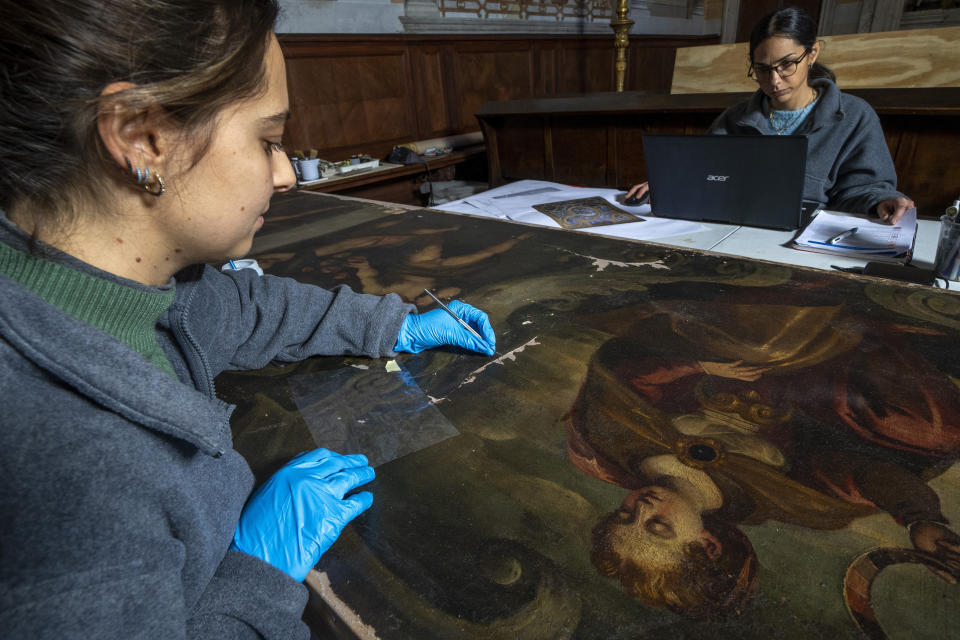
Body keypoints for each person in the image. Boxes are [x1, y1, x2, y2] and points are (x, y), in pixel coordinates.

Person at [0, 1, 495, 638]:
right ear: (142, 136)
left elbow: (240, 307)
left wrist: (394, 325)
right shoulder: (73, 479)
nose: (286, 174)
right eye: (267, 141)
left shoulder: (105, 280)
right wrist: (256, 577)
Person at [566, 296, 960, 618]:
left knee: (762, 341)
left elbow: (625, 381)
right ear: (708, 544)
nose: (643, 507)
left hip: (711, 350)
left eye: (625, 514)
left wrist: (696, 365)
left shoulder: (625, 447)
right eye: (657, 527)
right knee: (935, 430)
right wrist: (919, 519)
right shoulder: (771, 498)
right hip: (814, 378)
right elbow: (862, 475)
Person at [626, 6, 914, 224]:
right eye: (762, 69)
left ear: (812, 53)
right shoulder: (734, 118)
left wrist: (882, 200)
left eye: (787, 64)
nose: (774, 81)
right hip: (737, 227)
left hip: (808, 234)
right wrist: (671, 182)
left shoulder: (854, 115)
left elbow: (863, 187)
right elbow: (708, 174)